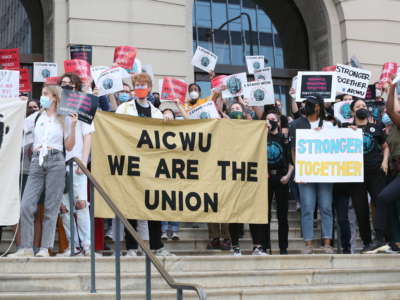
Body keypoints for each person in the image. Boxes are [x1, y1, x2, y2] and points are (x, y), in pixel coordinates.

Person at [9, 85, 78, 257]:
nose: (43, 97)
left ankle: (44, 247)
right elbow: (18, 128)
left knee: (51, 206)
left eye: (46, 94)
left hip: (56, 160)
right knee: (26, 204)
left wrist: (74, 126)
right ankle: (26, 247)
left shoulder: (64, 119)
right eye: (42, 94)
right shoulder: (36, 116)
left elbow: (69, 146)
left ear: (55, 97)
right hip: (36, 161)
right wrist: (18, 105)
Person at [116, 73, 173, 256]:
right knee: (131, 206)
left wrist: (169, 114)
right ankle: (132, 247)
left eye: (144, 84)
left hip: (151, 165)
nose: (140, 87)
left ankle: (156, 245)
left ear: (149, 88)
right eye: (137, 84)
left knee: (154, 205)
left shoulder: (156, 113)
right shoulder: (124, 108)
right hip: (131, 162)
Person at [342, 99, 389, 253]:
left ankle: (382, 238)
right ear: (352, 111)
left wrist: (385, 162)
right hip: (355, 176)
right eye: (358, 106)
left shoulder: (375, 128)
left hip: (375, 173)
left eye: (363, 106)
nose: (361, 108)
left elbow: (385, 146)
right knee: (361, 210)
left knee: (380, 202)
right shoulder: (345, 129)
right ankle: (367, 242)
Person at [289, 95, 335, 254]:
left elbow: (337, 146)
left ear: (318, 107)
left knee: (326, 208)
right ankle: (308, 245)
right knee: (308, 208)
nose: (306, 106)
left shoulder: (329, 126)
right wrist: (299, 170)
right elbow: (293, 150)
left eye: (310, 104)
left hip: (324, 174)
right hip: (306, 174)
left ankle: (327, 243)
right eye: (305, 103)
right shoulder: (295, 124)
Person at [58, 80, 95, 256]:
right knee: (64, 208)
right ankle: (73, 246)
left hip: (77, 163)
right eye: (63, 84)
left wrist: (84, 161)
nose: (66, 87)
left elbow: (88, 135)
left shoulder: (83, 107)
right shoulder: (57, 109)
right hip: (59, 164)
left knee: (81, 205)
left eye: (69, 84)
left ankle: (87, 245)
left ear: (75, 87)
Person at [363, 82, 399, 253]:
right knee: (391, 205)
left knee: (384, 199)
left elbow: (391, 110)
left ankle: (380, 239)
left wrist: (392, 89)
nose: (385, 111)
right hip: (393, 172)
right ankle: (394, 243)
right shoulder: (390, 130)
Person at [266, 112, 293, 255]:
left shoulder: (284, 139)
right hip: (267, 178)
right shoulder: (261, 138)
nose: (270, 121)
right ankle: (266, 246)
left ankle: (283, 248)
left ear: (278, 121)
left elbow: (291, 160)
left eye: (273, 119)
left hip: (282, 178)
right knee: (265, 215)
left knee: (282, 216)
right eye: (268, 119)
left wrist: (288, 175)